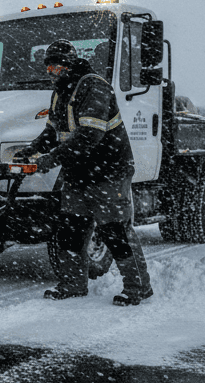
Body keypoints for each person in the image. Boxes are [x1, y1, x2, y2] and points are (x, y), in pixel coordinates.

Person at [14, 38, 153, 305]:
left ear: (68, 65)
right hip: (78, 173)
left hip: (108, 171)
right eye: (48, 69)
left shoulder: (93, 87)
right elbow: (53, 133)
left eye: (55, 68)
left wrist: (47, 161)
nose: (51, 74)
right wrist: (30, 151)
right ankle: (73, 284)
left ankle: (138, 287)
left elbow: (89, 136)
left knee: (115, 230)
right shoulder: (60, 93)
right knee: (71, 230)